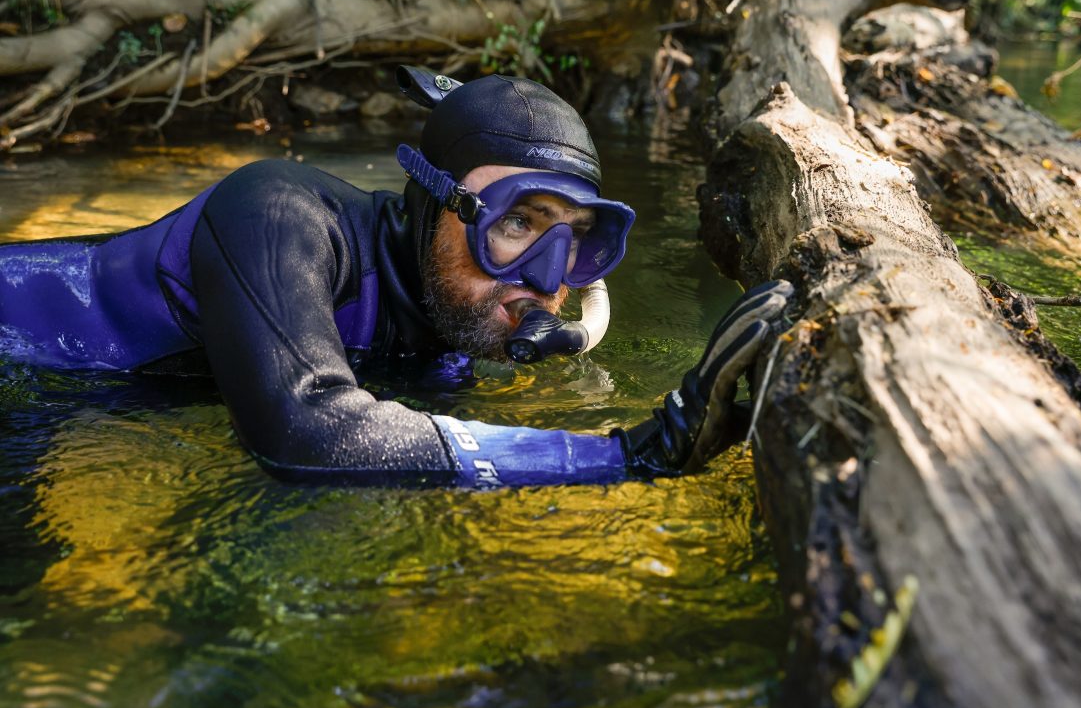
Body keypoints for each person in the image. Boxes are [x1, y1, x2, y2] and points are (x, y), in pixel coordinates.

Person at [0, 68, 792, 488]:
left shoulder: (443, 326)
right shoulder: (277, 216)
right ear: (431, 203)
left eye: (573, 242)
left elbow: (409, 450)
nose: (544, 284)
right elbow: (309, 435)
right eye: (516, 224)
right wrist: (627, 455)